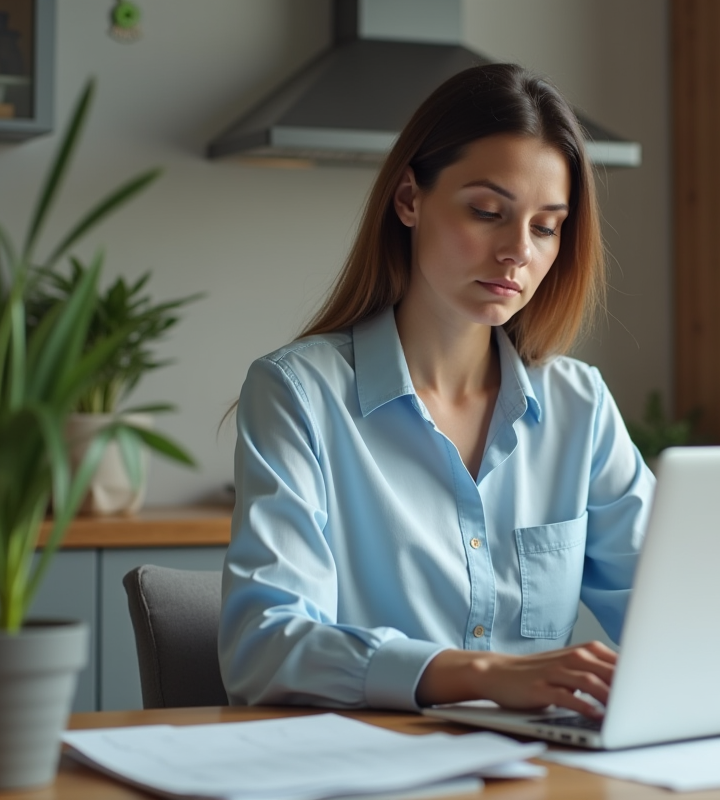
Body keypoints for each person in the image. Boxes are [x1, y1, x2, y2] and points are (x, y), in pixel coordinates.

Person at [219, 63, 653, 720]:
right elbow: (264, 648)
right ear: (409, 200)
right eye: (487, 211)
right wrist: (485, 675)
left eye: (545, 226)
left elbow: (674, 615)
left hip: (542, 775)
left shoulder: (579, 405)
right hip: (365, 772)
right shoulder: (299, 394)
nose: (517, 252)